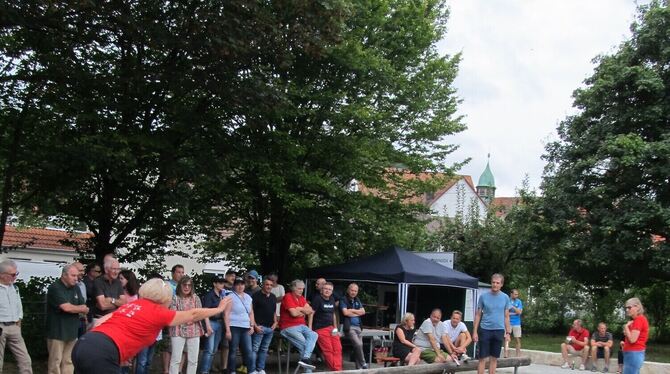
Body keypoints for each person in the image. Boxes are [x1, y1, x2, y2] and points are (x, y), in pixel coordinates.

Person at [71, 278, 230, 374]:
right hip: (102, 351)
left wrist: (118, 354)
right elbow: (193, 314)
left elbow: (99, 322)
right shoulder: (157, 311)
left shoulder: (131, 305)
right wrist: (219, 309)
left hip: (84, 344)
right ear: (165, 298)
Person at [46, 263, 89, 374]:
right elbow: (66, 308)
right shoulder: (55, 287)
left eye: (77, 276)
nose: (76, 278)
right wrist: (77, 308)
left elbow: (84, 307)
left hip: (72, 331)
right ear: (64, 275)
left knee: (69, 361)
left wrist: (76, 308)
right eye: (73, 276)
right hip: (57, 332)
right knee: (55, 362)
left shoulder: (76, 288)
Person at [170, 276, 209, 374]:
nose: (187, 287)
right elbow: (173, 314)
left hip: (194, 330)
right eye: (184, 285)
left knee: (193, 360)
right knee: (176, 359)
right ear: (180, 286)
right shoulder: (175, 298)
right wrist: (187, 318)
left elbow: (201, 313)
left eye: (189, 285)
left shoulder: (196, 298)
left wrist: (193, 319)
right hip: (178, 330)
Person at [473, 273, 512, 374]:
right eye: (493, 282)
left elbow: (507, 316)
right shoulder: (483, 297)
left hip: (499, 330)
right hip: (485, 330)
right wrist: (474, 332)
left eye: (497, 283)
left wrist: (508, 333)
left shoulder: (505, 297)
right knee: (482, 358)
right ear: (491, 283)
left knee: (494, 358)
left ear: (501, 284)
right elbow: (477, 315)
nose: (495, 285)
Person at [0, 259, 33, 374]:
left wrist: (19, 323)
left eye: (16, 274)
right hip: (1, 326)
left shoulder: (15, 288)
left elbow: (19, 307)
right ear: (2, 275)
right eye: (13, 274)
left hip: (14, 327)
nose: (15, 277)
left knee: (25, 360)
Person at [279, 279, 318, 372]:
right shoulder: (288, 296)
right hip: (288, 327)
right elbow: (293, 313)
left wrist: (299, 309)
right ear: (293, 288)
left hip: (302, 325)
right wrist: (302, 310)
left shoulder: (301, 298)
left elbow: (310, 311)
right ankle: (308, 371)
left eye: (302, 289)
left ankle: (305, 358)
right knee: (305, 346)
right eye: (299, 289)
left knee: (314, 335)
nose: (301, 291)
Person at [308, 281, 342, 371]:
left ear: (332, 291)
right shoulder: (317, 299)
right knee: (328, 350)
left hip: (331, 328)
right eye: (325, 289)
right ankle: (336, 370)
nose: (327, 291)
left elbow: (333, 314)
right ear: (321, 290)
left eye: (330, 289)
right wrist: (310, 329)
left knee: (338, 348)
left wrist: (335, 328)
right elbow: (311, 314)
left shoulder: (332, 299)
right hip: (320, 328)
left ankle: (338, 369)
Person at [135, 272, 165, 374]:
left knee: (149, 361)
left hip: (156, 332)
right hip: (144, 332)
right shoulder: (143, 295)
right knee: (142, 361)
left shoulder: (162, 297)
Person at [225, 277, 256, 374]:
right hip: (234, 326)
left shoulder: (248, 297)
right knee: (233, 350)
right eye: (237, 284)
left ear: (244, 285)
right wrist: (227, 330)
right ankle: (232, 371)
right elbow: (226, 313)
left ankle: (251, 370)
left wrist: (252, 325)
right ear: (234, 286)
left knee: (248, 350)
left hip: (246, 327)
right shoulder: (230, 297)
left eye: (242, 284)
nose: (240, 286)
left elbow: (251, 313)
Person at [199, 274, 228, 374]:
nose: (222, 284)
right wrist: (208, 326)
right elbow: (205, 311)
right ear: (214, 284)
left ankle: (208, 368)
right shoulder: (209, 295)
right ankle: (204, 371)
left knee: (214, 349)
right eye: (220, 282)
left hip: (219, 322)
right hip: (211, 322)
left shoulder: (222, 295)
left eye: (223, 282)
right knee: (209, 349)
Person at [252, 278, 278, 374]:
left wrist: (275, 323)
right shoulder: (256, 295)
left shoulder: (273, 297)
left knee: (264, 349)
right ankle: (253, 369)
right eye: (267, 284)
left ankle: (260, 369)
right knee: (255, 349)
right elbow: (251, 312)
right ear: (263, 285)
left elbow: (274, 311)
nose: (269, 287)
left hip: (270, 327)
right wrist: (254, 325)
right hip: (259, 326)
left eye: (271, 285)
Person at [340, 282, 367, 369]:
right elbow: (345, 312)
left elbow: (363, 312)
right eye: (352, 290)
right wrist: (356, 312)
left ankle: (358, 368)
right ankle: (363, 363)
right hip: (349, 327)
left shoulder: (357, 299)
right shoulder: (343, 299)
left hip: (359, 327)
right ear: (348, 290)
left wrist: (351, 310)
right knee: (358, 345)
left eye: (355, 291)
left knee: (358, 346)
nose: (353, 292)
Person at [119, 270, 140, 373]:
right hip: (120, 326)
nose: (119, 280)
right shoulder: (119, 291)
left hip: (129, 327)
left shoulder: (134, 294)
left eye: (122, 278)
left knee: (127, 357)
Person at [92, 257, 126, 323]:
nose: (116, 272)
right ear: (106, 270)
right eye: (114, 269)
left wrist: (111, 300)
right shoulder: (98, 282)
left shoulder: (118, 282)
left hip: (114, 319)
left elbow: (124, 304)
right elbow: (103, 306)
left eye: (118, 269)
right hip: (100, 319)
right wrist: (118, 303)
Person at [622, 298, 648, 374]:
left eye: (629, 307)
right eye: (626, 308)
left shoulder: (639, 320)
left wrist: (626, 327)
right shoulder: (638, 320)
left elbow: (633, 340)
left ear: (637, 307)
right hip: (634, 353)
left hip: (634, 353)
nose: (627, 310)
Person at [504, 289, 523, 358]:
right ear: (511, 294)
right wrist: (515, 312)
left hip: (517, 323)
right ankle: (505, 355)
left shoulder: (519, 301)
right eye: (515, 294)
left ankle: (517, 355)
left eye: (517, 294)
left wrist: (512, 307)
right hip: (508, 322)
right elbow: (505, 313)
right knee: (507, 338)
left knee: (517, 339)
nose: (516, 296)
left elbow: (519, 312)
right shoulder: (507, 301)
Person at [82, 261, 101, 326]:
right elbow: (93, 295)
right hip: (89, 312)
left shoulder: (93, 282)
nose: (100, 273)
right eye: (98, 272)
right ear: (91, 271)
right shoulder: (85, 283)